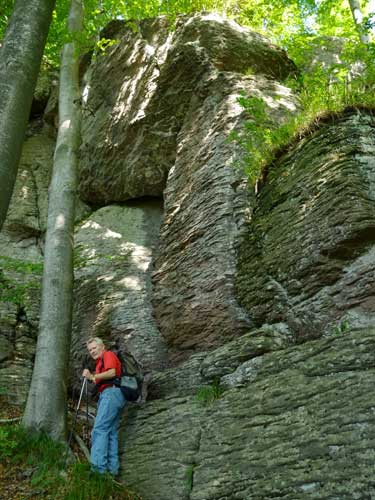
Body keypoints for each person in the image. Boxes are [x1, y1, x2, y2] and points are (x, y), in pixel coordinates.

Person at [82, 337, 126, 476]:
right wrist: (93, 377)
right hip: (114, 394)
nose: (92, 351)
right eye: (90, 350)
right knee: (111, 432)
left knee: (99, 429)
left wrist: (92, 377)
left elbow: (112, 372)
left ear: (102, 347)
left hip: (111, 394)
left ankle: (98, 471)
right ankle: (112, 471)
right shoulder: (100, 363)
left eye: (94, 348)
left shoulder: (108, 355)